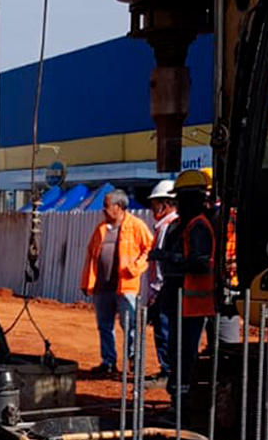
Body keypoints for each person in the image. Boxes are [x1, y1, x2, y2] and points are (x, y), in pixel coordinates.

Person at [149, 169, 216, 397]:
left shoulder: (198, 225)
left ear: (196, 199)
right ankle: (177, 400)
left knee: (185, 354)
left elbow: (200, 263)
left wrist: (169, 257)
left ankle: (183, 406)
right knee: (176, 352)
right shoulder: (181, 225)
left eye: (184, 198)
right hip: (177, 301)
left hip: (191, 305)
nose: (180, 203)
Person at [80, 189, 153, 378]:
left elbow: (149, 249)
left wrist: (135, 268)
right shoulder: (101, 229)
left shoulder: (136, 226)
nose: (103, 209)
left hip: (126, 287)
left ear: (118, 207)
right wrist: (87, 282)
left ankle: (134, 363)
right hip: (102, 288)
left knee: (130, 327)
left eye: (107, 205)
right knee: (104, 326)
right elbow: (91, 257)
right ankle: (108, 362)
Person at [144, 179, 178, 384]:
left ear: (164, 204)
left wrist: (156, 290)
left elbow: (161, 262)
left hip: (163, 289)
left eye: (155, 204)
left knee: (164, 331)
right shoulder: (164, 226)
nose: (152, 208)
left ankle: (168, 371)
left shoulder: (167, 227)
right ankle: (168, 369)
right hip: (164, 288)